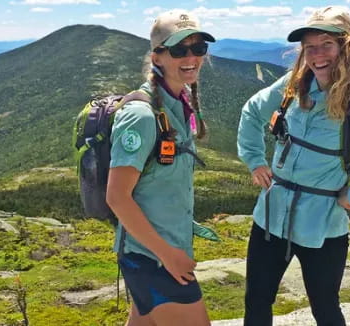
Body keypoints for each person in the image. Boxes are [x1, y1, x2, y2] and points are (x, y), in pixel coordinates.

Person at [237, 6, 350, 326]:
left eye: (327, 45)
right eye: (310, 47)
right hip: (272, 215)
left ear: (346, 48)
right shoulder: (294, 85)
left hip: (322, 224)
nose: (317, 55)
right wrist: (255, 161)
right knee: (256, 301)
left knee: (324, 307)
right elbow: (252, 112)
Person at [106, 9, 215, 326]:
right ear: (158, 56)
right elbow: (117, 197)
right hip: (153, 257)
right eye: (180, 49)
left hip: (153, 253)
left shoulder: (177, 103)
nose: (191, 57)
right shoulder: (142, 115)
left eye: (199, 48)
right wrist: (168, 255)